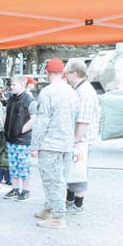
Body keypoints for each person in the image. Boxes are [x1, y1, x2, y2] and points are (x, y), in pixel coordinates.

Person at [30, 58, 78, 229]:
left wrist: (34, 145)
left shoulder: (47, 92)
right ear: (63, 73)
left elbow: (42, 121)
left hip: (50, 143)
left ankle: (58, 216)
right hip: (66, 143)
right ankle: (49, 208)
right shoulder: (72, 91)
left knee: (52, 180)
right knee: (60, 179)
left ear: (48, 73)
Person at [63, 59, 100, 214]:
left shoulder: (85, 92)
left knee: (78, 170)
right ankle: (70, 200)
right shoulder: (80, 89)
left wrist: (75, 141)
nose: (66, 76)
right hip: (79, 139)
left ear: (75, 73)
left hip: (81, 140)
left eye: (68, 73)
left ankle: (78, 204)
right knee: (73, 170)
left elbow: (82, 121)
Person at [3, 75, 37, 201]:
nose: (11, 87)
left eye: (14, 84)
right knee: (13, 166)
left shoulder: (30, 100)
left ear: (22, 85)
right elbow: (6, 114)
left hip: (23, 140)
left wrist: (20, 131)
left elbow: (34, 119)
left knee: (24, 166)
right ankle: (16, 189)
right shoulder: (11, 99)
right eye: (11, 84)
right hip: (11, 138)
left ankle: (26, 190)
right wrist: (6, 128)